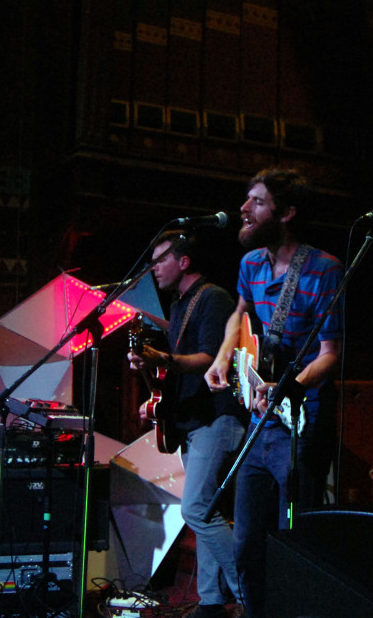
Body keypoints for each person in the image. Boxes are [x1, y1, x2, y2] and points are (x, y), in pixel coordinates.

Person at [205, 169, 343, 618]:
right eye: (247, 200)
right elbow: (239, 314)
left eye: (257, 202)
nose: (244, 209)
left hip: (301, 424)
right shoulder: (250, 266)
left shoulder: (324, 269)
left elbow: (330, 354)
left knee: (297, 539)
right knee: (246, 543)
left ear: (285, 213)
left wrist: (288, 390)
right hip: (258, 425)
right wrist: (224, 355)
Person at [127, 230, 246, 618]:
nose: (153, 269)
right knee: (206, 508)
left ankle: (249, 591)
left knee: (196, 509)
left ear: (184, 261)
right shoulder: (179, 306)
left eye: (159, 260)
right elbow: (175, 372)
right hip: (194, 421)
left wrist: (163, 357)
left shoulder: (213, 298)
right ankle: (211, 602)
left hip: (217, 416)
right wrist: (151, 376)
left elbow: (213, 359)